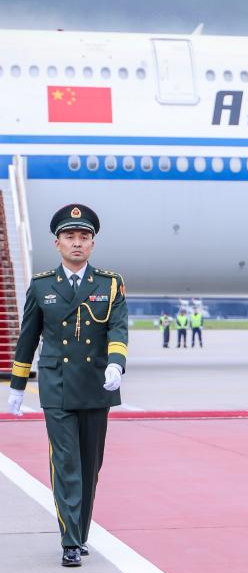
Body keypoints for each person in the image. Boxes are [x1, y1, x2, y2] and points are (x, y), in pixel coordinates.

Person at [5, 204, 128, 567]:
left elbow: (118, 328)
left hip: (96, 385)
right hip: (57, 386)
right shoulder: (43, 285)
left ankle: (80, 532)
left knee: (91, 466)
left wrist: (117, 364)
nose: (77, 243)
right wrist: (16, 384)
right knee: (66, 463)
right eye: (70, 237)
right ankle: (70, 541)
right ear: (57, 243)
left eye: (84, 237)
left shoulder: (110, 284)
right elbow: (28, 337)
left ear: (92, 243)